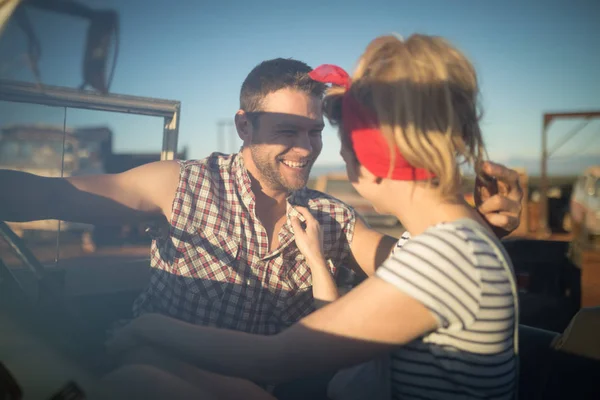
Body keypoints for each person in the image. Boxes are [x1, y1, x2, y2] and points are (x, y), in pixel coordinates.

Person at [0, 55, 520, 394]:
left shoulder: (332, 216)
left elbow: (412, 262)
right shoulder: (180, 184)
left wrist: (477, 228)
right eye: (287, 130)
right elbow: (54, 193)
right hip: (170, 377)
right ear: (244, 126)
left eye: (316, 131)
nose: (309, 147)